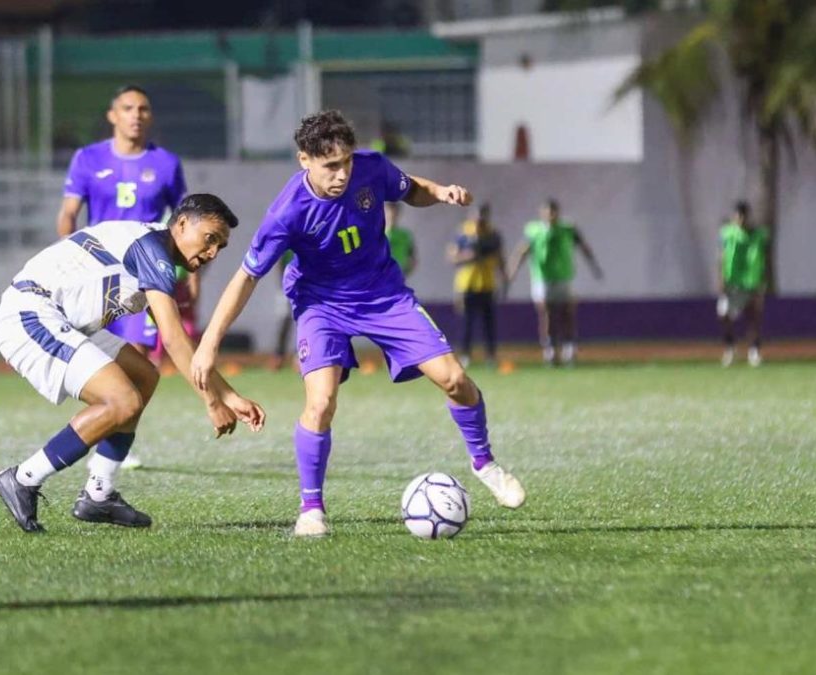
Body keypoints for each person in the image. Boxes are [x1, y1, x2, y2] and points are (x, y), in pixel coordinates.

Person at [191, 110, 525, 538]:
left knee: (455, 378)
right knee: (321, 402)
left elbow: (409, 189)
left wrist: (440, 192)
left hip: (383, 293)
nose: (343, 173)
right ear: (304, 160)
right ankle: (311, 510)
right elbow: (246, 278)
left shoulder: (370, 168)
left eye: (346, 161)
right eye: (331, 165)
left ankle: (486, 465)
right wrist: (209, 343)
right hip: (320, 304)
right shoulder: (287, 213)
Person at [0, 194, 264, 533]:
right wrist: (211, 401)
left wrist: (229, 396)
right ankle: (23, 478)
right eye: (210, 239)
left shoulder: (157, 249)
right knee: (122, 401)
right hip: (33, 312)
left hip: (66, 320)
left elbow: (177, 342)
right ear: (181, 224)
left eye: (220, 247)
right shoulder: (153, 249)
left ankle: (98, 493)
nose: (212, 253)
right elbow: (175, 339)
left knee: (144, 377)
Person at [56, 84, 187, 466]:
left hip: (144, 275)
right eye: (128, 108)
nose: (136, 115)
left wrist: (190, 272)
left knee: (142, 360)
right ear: (113, 115)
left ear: (150, 116)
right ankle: (108, 424)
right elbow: (68, 213)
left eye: (143, 108)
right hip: (97, 272)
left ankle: (114, 440)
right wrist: (68, 253)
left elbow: (184, 221)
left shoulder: (167, 163)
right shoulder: (87, 158)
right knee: (99, 354)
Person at [507, 199, 602, 366]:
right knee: (546, 313)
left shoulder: (568, 228)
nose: (550, 215)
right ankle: (550, 349)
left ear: (558, 212)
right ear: (542, 213)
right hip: (542, 278)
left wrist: (594, 266)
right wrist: (512, 271)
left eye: (553, 211)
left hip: (564, 276)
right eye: (547, 211)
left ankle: (569, 347)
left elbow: (584, 247)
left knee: (567, 313)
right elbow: (523, 250)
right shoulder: (534, 230)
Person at [447, 203, 505, 366]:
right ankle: (466, 355)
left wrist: (504, 278)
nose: (479, 221)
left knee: (489, 323)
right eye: (477, 217)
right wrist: (469, 256)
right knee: (467, 323)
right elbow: (452, 257)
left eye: (483, 217)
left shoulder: (493, 235)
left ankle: (490, 356)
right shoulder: (463, 233)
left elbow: (500, 258)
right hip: (467, 284)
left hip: (487, 284)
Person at [716, 201, 769, 367]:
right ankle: (730, 348)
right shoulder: (727, 233)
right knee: (724, 315)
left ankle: (754, 351)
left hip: (751, 282)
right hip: (732, 281)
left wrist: (763, 282)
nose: (740, 219)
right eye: (737, 215)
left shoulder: (759, 234)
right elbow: (722, 256)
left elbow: (765, 259)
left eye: (743, 215)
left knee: (753, 317)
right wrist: (720, 279)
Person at [385, 202, 417, 277]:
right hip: (381, 280)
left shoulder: (404, 236)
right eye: (388, 212)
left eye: (393, 213)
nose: (391, 216)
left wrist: (404, 274)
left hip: (397, 278)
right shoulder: (377, 234)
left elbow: (413, 260)